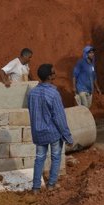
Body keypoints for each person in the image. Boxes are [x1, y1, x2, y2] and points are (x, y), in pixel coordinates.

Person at [27, 63, 74, 194]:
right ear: (49, 76)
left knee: (39, 158)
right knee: (56, 157)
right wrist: (67, 136)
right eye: (54, 73)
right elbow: (59, 118)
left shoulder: (31, 93)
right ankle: (51, 184)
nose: (55, 74)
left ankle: (36, 188)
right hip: (53, 133)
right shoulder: (53, 93)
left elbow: (32, 113)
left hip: (38, 133)